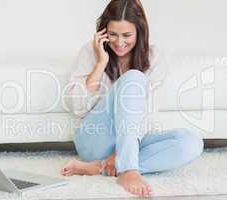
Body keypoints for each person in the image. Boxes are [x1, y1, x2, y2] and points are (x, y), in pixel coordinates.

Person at [61, 0, 204, 197]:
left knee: (192, 143)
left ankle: (100, 168)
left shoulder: (155, 57)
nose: (119, 43)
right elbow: (77, 108)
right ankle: (128, 170)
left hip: (133, 141)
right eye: (113, 35)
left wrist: (120, 154)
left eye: (127, 35)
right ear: (103, 32)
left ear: (140, 32)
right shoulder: (91, 51)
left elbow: (148, 115)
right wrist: (100, 63)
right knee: (134, 78)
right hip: (95, 138)